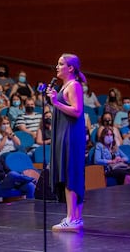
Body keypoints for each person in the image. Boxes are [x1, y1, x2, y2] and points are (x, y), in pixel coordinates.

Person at [46, 53, 86, 232]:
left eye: (61, 64)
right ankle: (73, 217)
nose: (57, 66)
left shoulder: (74, 85)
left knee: (71, 173)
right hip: (64, 133)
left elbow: (77, 111)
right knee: (68, 172)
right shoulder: (66, 86)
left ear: (70, 68)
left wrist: (55, 102)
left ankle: (73, 219)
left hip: (70, 134)